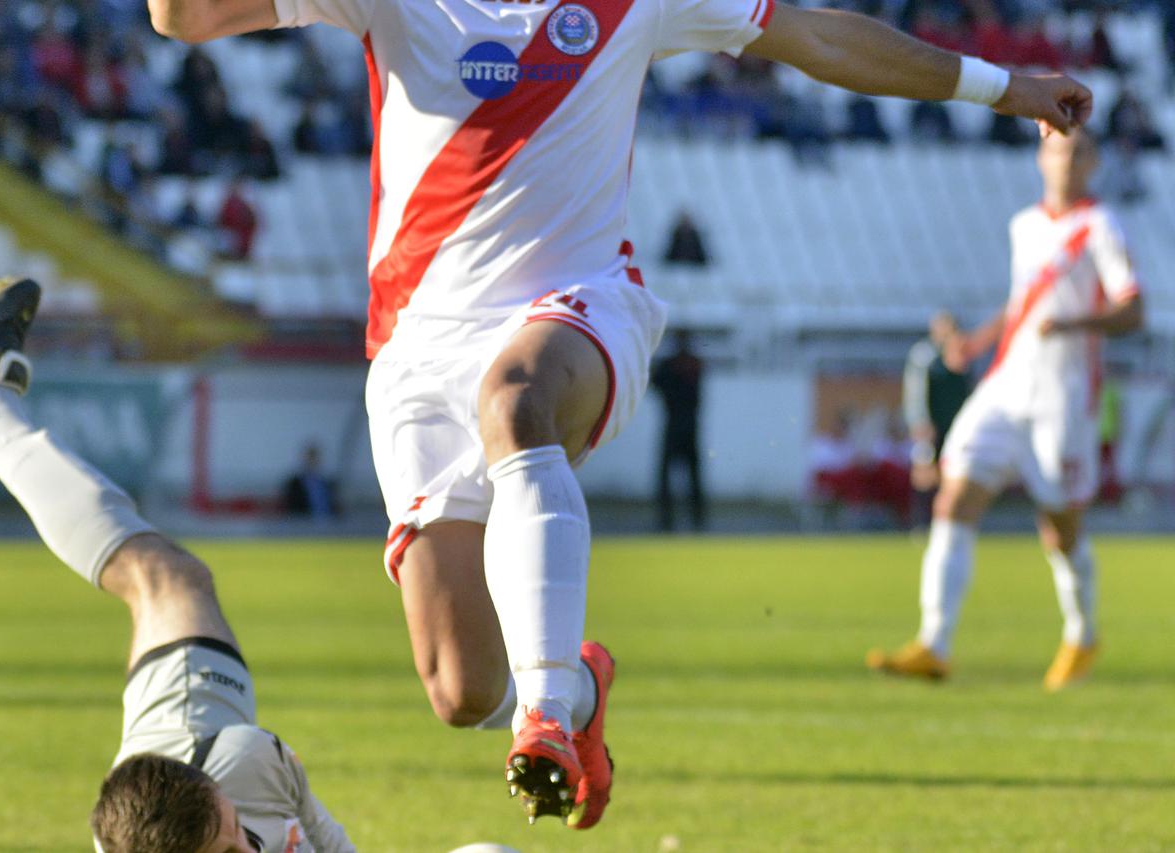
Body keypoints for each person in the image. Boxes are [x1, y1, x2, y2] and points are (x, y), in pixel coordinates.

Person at [148, 0, 1092, 827]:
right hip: (417, 349)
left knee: (515, 401)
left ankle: (546, 715)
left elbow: (814, 37)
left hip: (577, 307)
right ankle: (576, 691)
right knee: (460, 685)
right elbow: (183, 17)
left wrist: (1004, 87)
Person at [0, 278, 355, 853]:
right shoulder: (248, 764)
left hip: (189, 749)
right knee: (168, 581)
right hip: (201, 762)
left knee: (165, 581)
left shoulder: (241, 762)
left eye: (232, 838)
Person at [867, 128, 1144, 691]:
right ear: (1041, 157)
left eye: (1079, 152)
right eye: (1058, 149)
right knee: (953, 497)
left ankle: (1082, 635)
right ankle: (935, 644)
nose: (1066, 160)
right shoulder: (1024, 225)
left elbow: (1133, 310)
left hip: (1063, 395)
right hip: (1006, 384)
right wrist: (977, 341)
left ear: (1093, 162)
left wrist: (1073, 324)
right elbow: (1023, 302)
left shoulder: (1100, 226)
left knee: (1059, 528)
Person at [902, 311, 973, 525]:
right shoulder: (925, 356)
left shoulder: (961, 355)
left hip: (955, 426)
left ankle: (948, 519)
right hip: (930, 426)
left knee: (952, 471)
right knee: (925, 472)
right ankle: (922, 522)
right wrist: (919, 421)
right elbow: (915, 391)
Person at [652, 329, 706, 531]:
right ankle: (692, 519)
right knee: (689, 476)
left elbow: (656, 384)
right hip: (686, 426)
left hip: (676, 426)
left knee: (674, 475)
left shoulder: (674, 365)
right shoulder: (693, 364)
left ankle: (672, 519)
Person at [283, 442, 340, 518]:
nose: (313, 461)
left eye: (315, 458)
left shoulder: (327, 483)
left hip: (327, 520)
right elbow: (292, 509)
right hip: (303, 521)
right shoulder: (294, 484)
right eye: (310, 458)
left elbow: (334, 506)